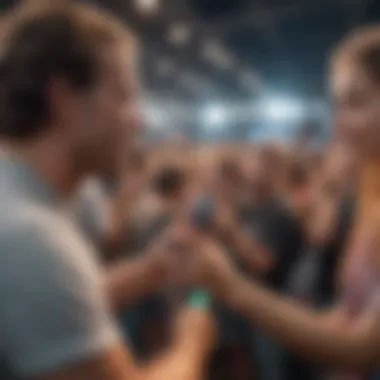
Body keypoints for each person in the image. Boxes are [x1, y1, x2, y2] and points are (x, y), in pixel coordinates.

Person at [0, 3, 215, 380]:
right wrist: (192, 340)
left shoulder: (20, 201)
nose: (140, 119)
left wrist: (151, 269)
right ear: (64, 99)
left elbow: (59, 301)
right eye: (124, 95)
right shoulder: (32, 236)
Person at [186, 25, 380, 379]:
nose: (338, 124)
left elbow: (364, 346)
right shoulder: (372, 193)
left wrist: (233, 288)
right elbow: (347, 316)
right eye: (337, 105)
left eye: (355, 101)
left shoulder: (284, 209)